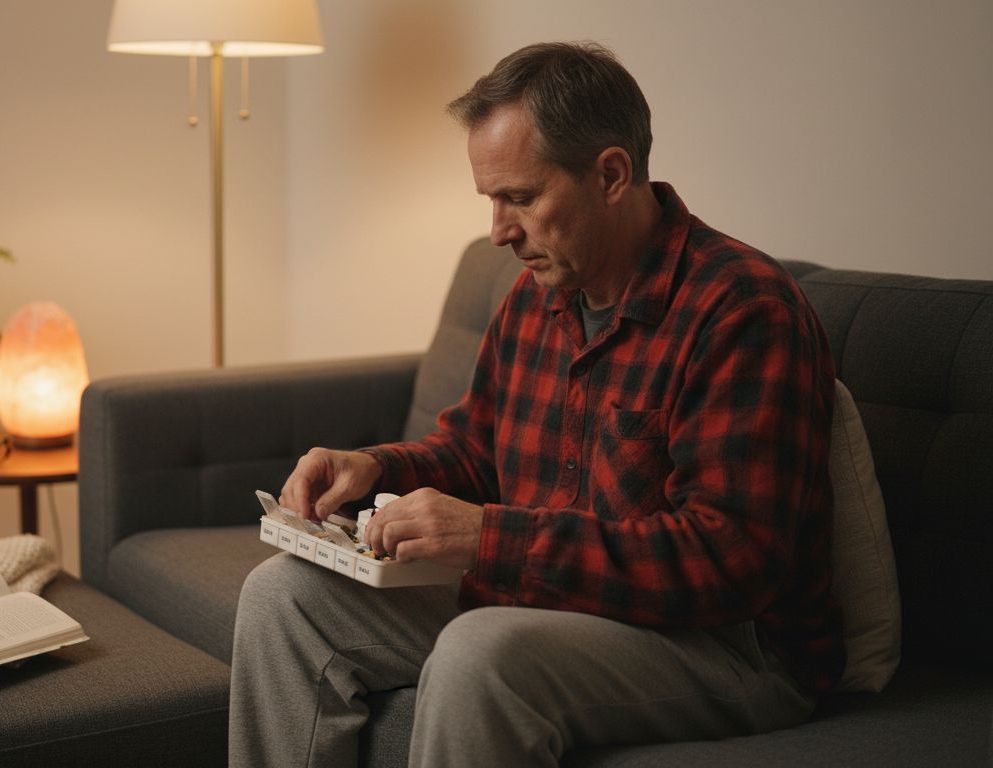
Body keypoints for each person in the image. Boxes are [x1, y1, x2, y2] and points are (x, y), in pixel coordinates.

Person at [228, 41, 842, 768]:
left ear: (611, 174)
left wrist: (492, 539)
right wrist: (371, 466)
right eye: (492, 200)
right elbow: (473, 451)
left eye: (520, 197)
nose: (499, 231)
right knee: (283, 599)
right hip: (551, 604)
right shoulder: (538, 296)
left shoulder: (741, 309)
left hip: (728, 643)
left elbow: (729, 560)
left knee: (479, 654)